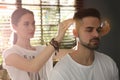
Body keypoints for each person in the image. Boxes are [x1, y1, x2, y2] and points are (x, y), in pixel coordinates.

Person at [2, 8, 73, 80]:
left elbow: (71, 53)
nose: (32, 28)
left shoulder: (42, 50)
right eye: (26, 24)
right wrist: (58, 38)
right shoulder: (10, 53)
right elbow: (33, 67)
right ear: (14, 27)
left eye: (33, 23)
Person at [48, 8, 119, 80]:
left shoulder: (109, 64)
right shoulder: (60, 73)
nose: (96, 34)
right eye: (89, 30)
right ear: (75, 33)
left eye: (98, 30)